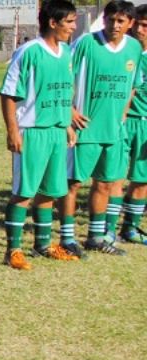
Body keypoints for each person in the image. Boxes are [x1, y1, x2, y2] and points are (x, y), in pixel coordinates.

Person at [0, 0, 80, 270]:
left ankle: (43, 244)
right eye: (68, 21)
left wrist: (66, 123)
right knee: (24, 192)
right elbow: (9, 94)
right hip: (32, 132)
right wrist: (13, 131)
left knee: (49, 192)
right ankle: (13, 250)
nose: (73, 26)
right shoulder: (29, 51)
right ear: (53, 22)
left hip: (56, 132)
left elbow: (63, 93)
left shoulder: (67, 52)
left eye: (73, 21)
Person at [57, 0, 140, 257]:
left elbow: (133, 84)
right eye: (111, 19)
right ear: (103, 19)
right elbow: (62, 74)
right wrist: (70, 111)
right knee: (72, 184)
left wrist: (123, 113)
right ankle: (67, 237)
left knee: (105, 184)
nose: (115, 25)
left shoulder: (134, 48)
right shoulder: (86, 43)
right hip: (85, 130)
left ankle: (95, 237)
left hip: (113, 132)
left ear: (130, 23)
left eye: (121, 21)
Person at [118, 5, 147, 244]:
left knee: (142, 179)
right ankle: (105, 229)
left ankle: (130, 228)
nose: (139, 29)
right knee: (113, 178)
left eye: (145, 26)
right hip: (122, 122)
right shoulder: (122, 51)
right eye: (136, 23)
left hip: (145, 125)